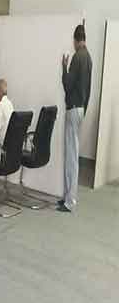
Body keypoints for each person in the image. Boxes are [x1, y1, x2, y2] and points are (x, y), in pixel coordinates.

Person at [58, 24, 92, 213]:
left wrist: (64, 67)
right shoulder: (89, 58)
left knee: (71, 156)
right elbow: (89, 88)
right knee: (73, 154)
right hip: (81, 109)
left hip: (73, 108)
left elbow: (67, 85)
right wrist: (84, 108)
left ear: (75, 39)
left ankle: (69, 201)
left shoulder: (77, 57)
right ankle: (67, 197)